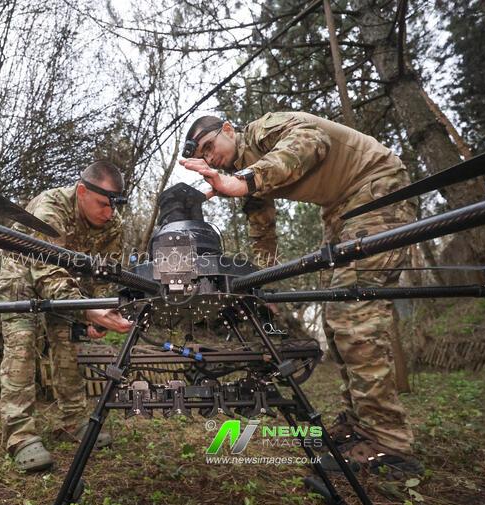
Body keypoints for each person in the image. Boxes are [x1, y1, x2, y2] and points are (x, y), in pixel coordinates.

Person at [180, 112, 422, 477]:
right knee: (335, 318)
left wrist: (244, 181)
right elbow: (262, 234)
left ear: (229, 129)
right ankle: (361, 424)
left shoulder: (263, 131)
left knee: (354, 318)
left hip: (376, 191)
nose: (211, 158)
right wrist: (256, 284)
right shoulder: (250, 170)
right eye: (204, 155)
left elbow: (310, 142)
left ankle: (389, 444)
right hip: (345, 210)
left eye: (210, 147)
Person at [0, 161, 133, 473]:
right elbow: (45, 269)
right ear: (82, 191)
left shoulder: (113, 224)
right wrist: (86, 309)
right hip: (23, 277)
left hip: (69, 286)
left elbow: (101, 275)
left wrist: (95, 315)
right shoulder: (50, 207)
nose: (109, 214)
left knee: (68, 346)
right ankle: (20, 434)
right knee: (22, 345)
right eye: (102, 204)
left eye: (114, 206)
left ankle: (72, 421)